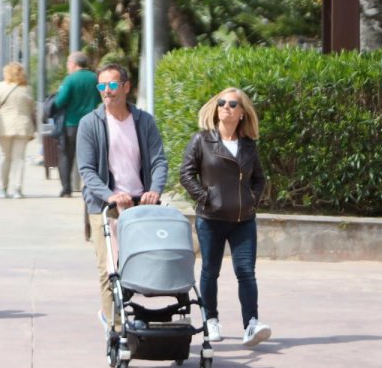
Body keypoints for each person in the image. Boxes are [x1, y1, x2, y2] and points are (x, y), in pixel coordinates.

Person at [76, 63, 168, 334]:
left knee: (140, 266)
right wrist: (111, 196)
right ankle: (115, 328)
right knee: (109, 268)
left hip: (140, 205)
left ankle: (125, 314)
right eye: (102, 86)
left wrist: (155, 189)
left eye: (113, 85)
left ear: (126, 87)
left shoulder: (144, 121)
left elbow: (158, 160)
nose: (107, 91)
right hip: (104, 206)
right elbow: (87, 171)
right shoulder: (90, 124)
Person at [179, 88, 271, 347]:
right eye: (221, 103)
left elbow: (259, 178)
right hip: (211, 218)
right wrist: (206, 197)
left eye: (232, 104)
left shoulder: (248, 145)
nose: (226, 107)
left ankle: (251, 324)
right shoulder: (202, 140)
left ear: (242, 113)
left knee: (246, 272)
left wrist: (251, 199)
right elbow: (186, 174)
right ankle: (210, 320)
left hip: (243, 220)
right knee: (210, 271)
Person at [53, 52, 101, 197]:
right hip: (92, 123)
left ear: (74, 64)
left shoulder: (70, 79)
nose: (67, 66)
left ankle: (66, 189)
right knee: (90, 156)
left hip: (71, 124)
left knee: (66, 156)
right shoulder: (95, 78)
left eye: (68, 62)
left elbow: (59, 101)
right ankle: (92, 187)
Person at [0, 62, 36, 199]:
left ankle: (2, 187)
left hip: (5, 127)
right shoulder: (27, 88)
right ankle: (17, 189)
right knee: (19, 158)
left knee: (5, 156)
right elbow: (32, 108)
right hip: (23, 126)